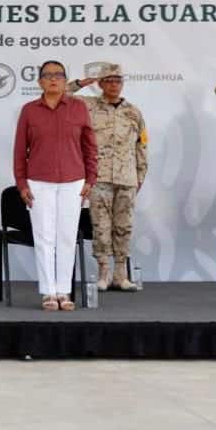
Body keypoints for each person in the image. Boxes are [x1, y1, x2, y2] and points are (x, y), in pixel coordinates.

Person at [13, 60, 97, 311]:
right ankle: (48, 292)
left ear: (64, 81)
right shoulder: (29, 110)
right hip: (39, 181)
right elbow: (19, 151)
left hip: (74, 181)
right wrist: (21, 183)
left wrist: (91, 178)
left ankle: (64, 291)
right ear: (39, 81)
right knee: (44, 237)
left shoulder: (79, 108)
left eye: (59, 75)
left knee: (67, 237)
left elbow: (90, 147)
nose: (53, 79)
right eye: (47, 75)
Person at [68, 63, 148, 292]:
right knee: (101, 227)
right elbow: (59, 93)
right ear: (101, 84)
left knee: (124, 227)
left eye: (118, 81)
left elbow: (142, 144)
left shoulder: (133, 111)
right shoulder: (88, 106)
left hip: (127, 178)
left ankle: (120, 275)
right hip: (99, 176)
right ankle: (103, 272)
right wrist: (83, 82)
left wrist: (140, 175)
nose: (114, 85)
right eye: (109, 81)